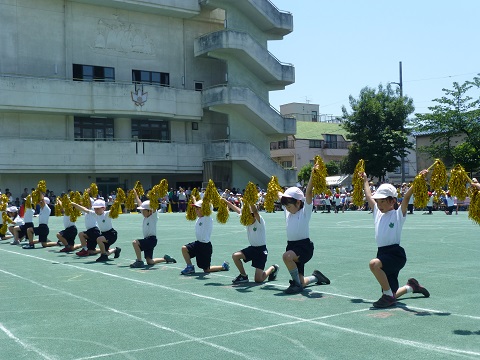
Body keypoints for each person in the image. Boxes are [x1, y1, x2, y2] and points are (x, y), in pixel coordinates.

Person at [361, 171, 430, 308]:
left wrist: (418, 180)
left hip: (395, 254)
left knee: (374, 265)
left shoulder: (398, 215)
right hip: (382, 253)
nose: (379, 205)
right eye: (378, 201)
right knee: (392, 292)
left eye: (383, 201)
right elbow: (368, 195)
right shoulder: (377, 212)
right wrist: (364, 180)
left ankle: (387, 296)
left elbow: (406, 198)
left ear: (392, 201)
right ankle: (411, 287)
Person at [278, 164, 331, 294]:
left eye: (289, 205)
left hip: (304, 248)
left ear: (298, 202)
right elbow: (279, 195)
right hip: (291, 246)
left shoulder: (304, 212)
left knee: (286, 257)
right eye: (286, 206)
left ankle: (296, 284)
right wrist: (274, 187)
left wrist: (313, 174)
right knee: (303, 280)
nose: (287, 208)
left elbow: (308, 192)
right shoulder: (288, 211)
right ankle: (316, 277)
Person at [222, 198, 279, 284]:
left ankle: (273, 268)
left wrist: (250, 200)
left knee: (258, 280)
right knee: (235, 256)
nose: (245, 218)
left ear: (252, 215)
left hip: (261, 251)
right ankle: (243, 276)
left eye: (247, 216)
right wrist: (226, 202)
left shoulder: (260, 221)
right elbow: (236, 209)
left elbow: (255, 212)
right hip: (252, 249)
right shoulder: (248, 219)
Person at [180, 199, 229, 275]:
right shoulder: (200, 218)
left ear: (205, 210)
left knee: (206, 270)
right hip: (198, 244)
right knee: (184, 248)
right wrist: (194, 199)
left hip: (205, 247)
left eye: (198, 209)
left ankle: (223, 267)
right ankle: (190, 267)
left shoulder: (207, 218)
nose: (196, 211)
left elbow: (207, 207)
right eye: (195, 209)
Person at [129, 190, 177, 268]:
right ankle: (165, 259)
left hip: (151, 240)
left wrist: (153, 196)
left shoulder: (153, 217)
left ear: (150, 211)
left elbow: (153, 207)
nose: (142, 211)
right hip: (148, 240)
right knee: (149, 261)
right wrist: (135, 194)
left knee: (135, 242)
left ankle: (139, 261)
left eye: (144, 210)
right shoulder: (146, 215)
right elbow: (139, 203)